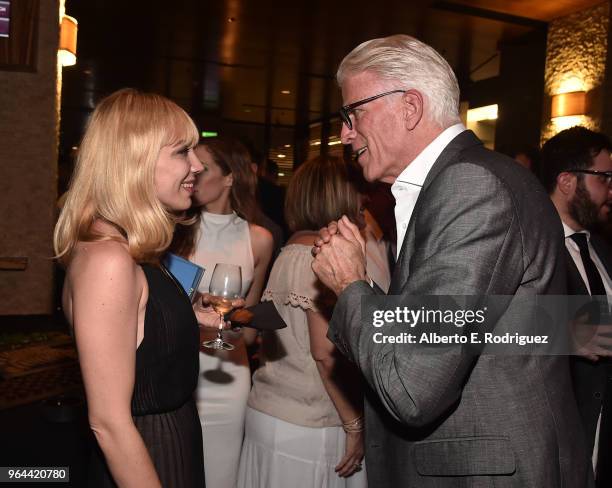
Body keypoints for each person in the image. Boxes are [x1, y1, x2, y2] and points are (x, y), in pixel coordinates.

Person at [311, 35, 592, 487]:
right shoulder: (466, 180)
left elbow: (413, 388)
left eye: (353, 112)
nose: (345, 132)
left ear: (409, 106)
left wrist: (350, 285)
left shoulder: (470, 185)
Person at [53, 88, 231, 487]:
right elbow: (109, 423)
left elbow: (136, 329)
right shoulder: (109, 259)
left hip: (164, 445)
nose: (198, 164)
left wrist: (188, 317)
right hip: (147, 456)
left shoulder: (127, 247)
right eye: (182, 151)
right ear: (135, 162)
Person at [238, 155, 388, 488]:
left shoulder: (288, 251)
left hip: (269, 410)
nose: (364, 199)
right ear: (341, 196)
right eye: (357, 191)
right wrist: (354, 425)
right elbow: (324, 353)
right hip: (309, 425)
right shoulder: (319, 258)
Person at [171, 136, 274, 488]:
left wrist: (239, 317)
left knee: (221, 475)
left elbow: (248, 329)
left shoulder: (259, 239)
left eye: (204, 168)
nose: (193, 173)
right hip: (179, 370)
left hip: (229, 375)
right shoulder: (173, 232)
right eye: (191, 166)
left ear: (230, 178)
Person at [540, 126, 612, 486]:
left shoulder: (600, 249)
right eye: (604, 178)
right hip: (553, 445)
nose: (610, 191)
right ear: (567, 181)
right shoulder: (531, 248)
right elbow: (476, 323)